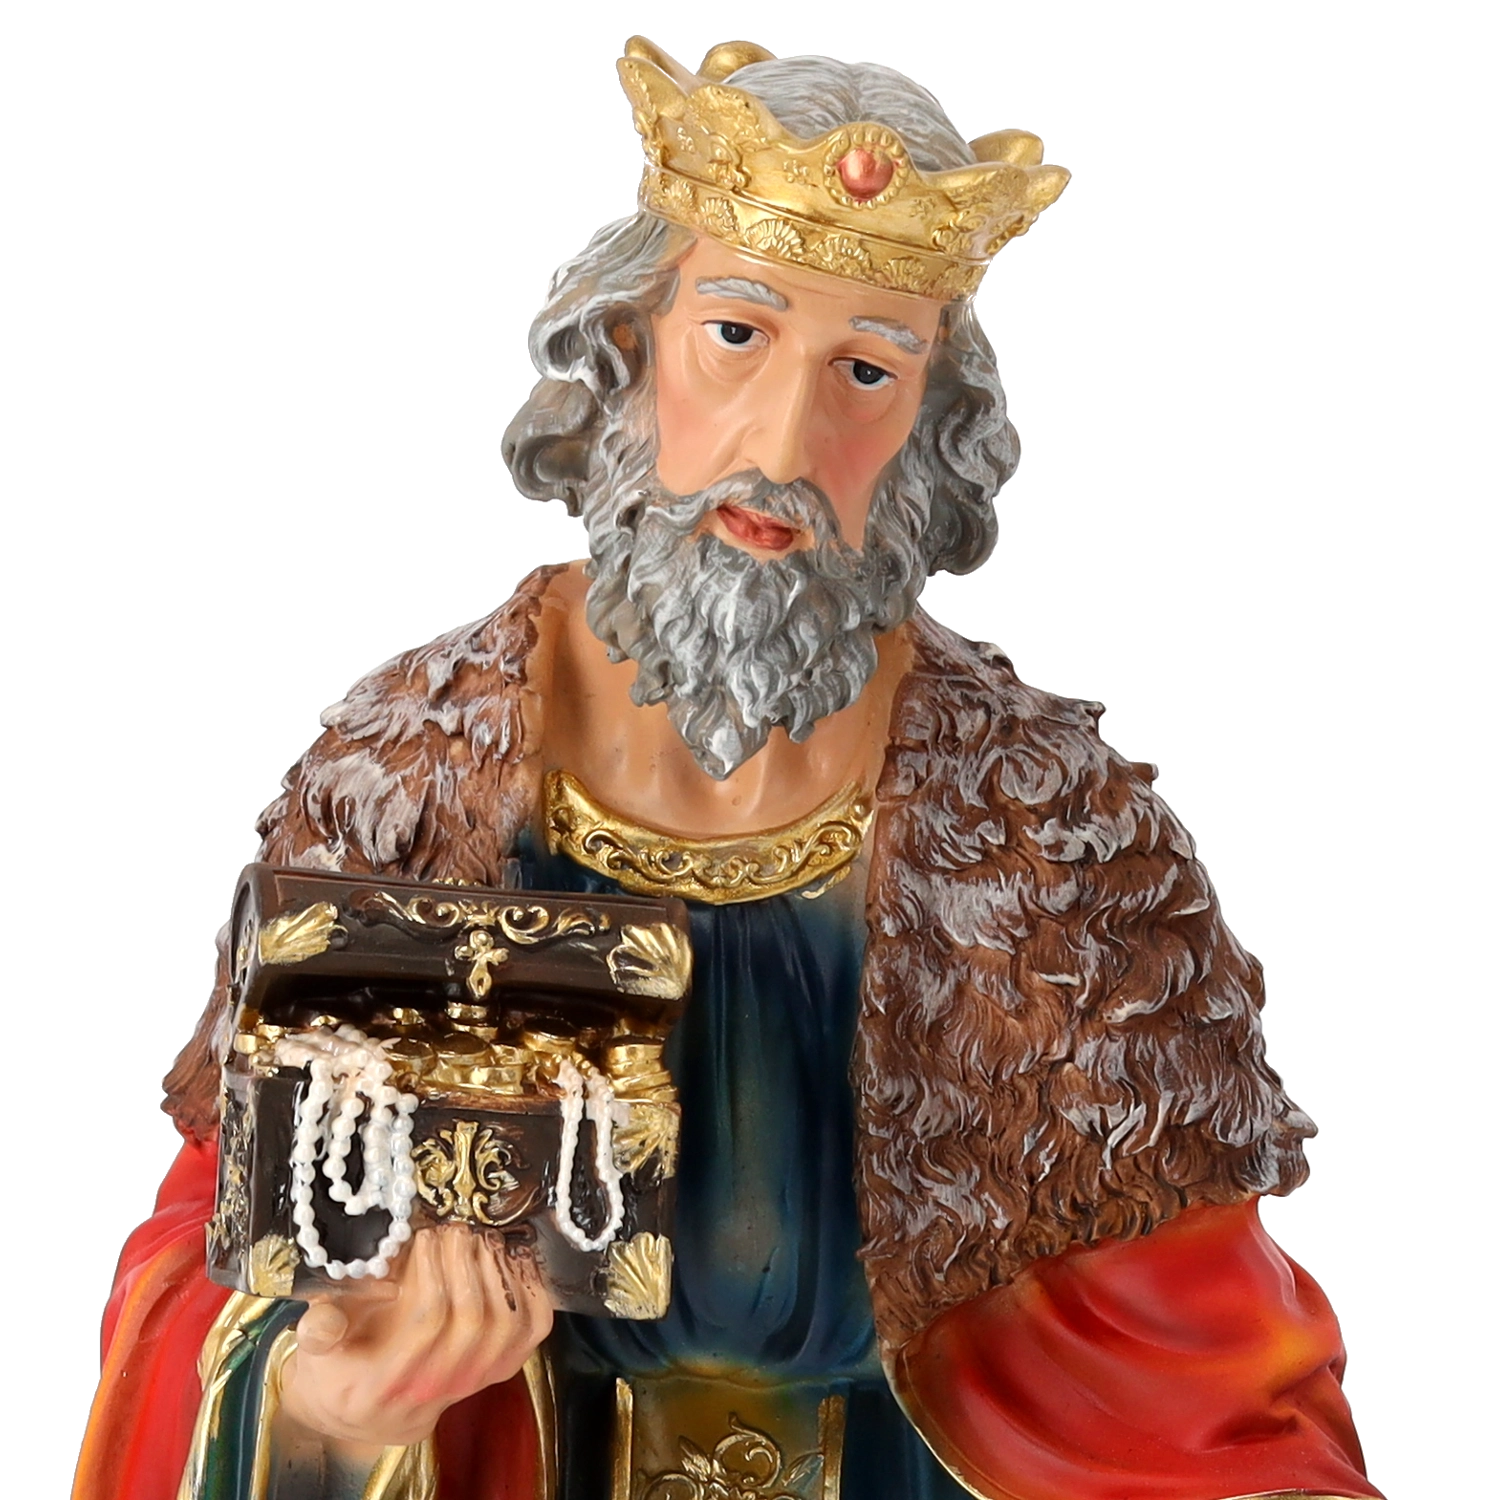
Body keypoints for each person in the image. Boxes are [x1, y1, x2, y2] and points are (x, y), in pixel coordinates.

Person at [79, 39, 1385, 1500]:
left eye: (867, 372)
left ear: (931, 430)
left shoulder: (1054, 841)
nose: (784, 441)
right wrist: (329, 1406)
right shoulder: (410, 785)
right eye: (737, 335)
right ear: (627, 347)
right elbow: (217, 1248)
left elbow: (1199, 1376)